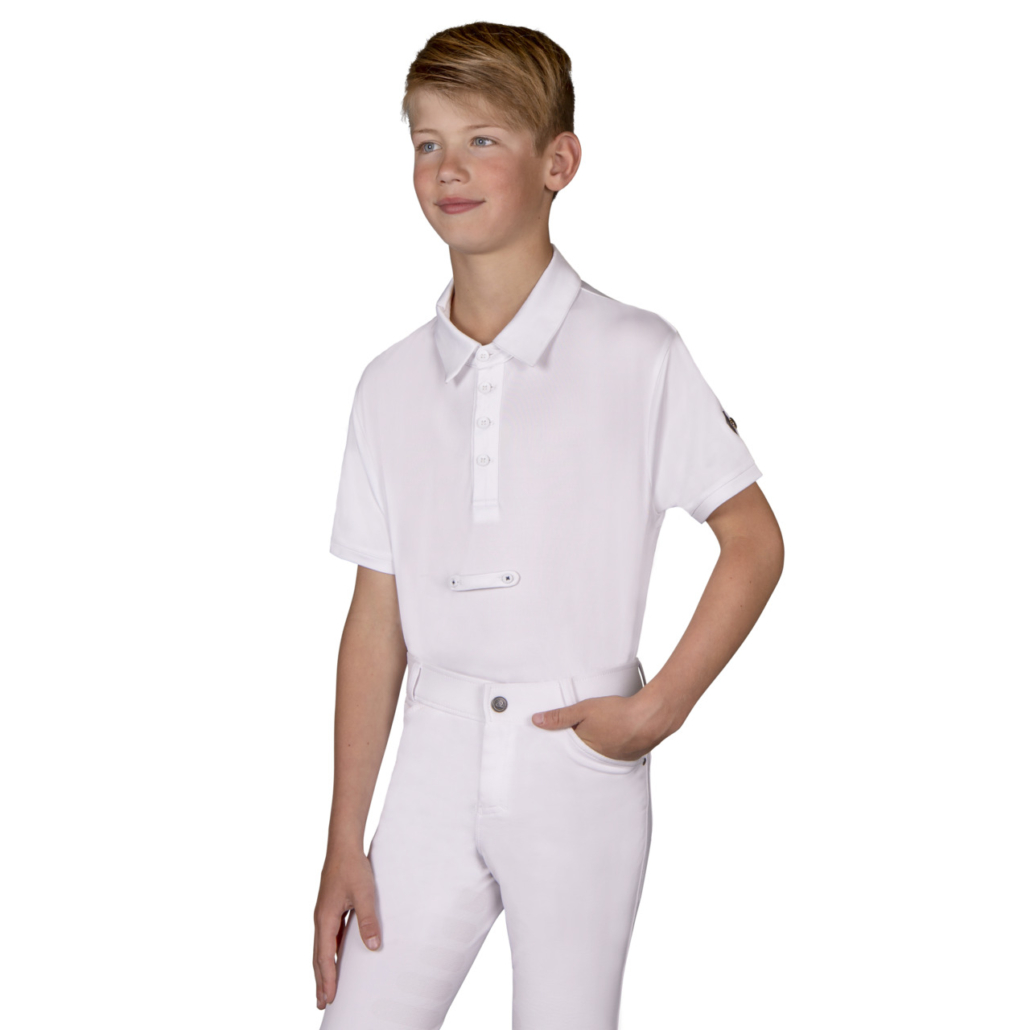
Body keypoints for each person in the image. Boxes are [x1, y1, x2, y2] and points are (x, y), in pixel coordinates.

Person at [313, 20, 784, 1030]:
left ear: (558, 162)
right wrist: (346, 836)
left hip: (575, 751)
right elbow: (375, 613)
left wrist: (653, 712)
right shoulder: (387, 385)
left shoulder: (636, 352)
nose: (448, 168)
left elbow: (753, 539)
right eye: (428, 142)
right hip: (433, 753)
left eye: (483, 139)